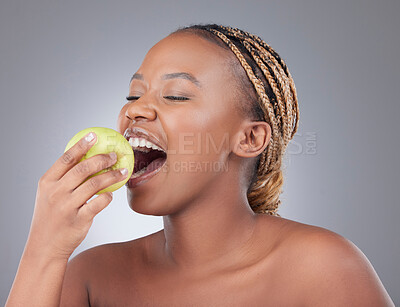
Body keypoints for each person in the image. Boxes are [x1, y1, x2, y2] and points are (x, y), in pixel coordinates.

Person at [6, 24, 394, 306]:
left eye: (175, 96)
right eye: (133, 93)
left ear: (249, 139)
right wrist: (44, 249)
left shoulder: (323, 268)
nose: (134, 109)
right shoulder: (91, 276)